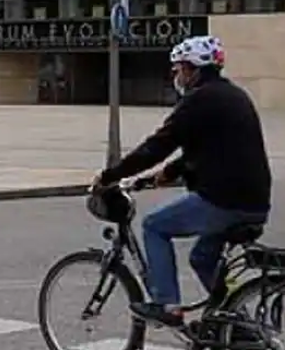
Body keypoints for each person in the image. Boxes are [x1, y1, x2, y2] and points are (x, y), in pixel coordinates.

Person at [92, 35, 271, 328]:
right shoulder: (232, 95)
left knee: (154, 225)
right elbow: (212, 147)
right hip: (253, 201)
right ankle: (236, 323)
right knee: (202, 258)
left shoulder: (198, 100)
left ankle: (167, 304)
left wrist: (110, 175)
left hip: (224, 201)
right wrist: (170, 173)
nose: (175, 75)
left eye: (178, 69)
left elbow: (157, 146)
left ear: (193, 69)